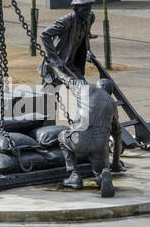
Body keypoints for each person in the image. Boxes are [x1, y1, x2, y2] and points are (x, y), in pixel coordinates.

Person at [45, 63, 125, 197]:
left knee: (62, 136)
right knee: (100, 167)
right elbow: (118, 136)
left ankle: (74, 175)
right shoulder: (112, 104)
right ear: (110, 93)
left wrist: (54, 69)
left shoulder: (85, 88)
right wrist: (116, 164)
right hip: (100, 146)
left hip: (80, 140)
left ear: (97, 86)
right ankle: (101, 176)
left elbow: (66, 79)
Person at [38, 0, 96, 86]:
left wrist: (88, 50)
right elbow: (44, 34)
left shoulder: (90, 18)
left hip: (73, 64)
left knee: (82, 86)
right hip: (59, 63)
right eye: (84, 9)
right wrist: (55, 58)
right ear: (75, 9)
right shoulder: (66, 21)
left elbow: (85, 36)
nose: (88, 12)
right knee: (50, 90)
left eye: (89, 9)